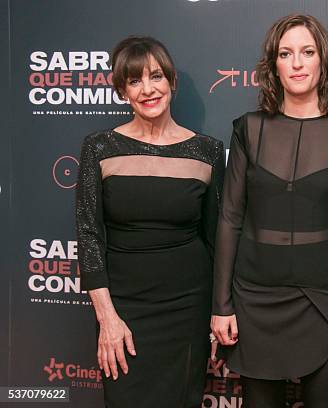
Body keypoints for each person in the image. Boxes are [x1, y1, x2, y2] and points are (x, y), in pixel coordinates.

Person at [210, 14, 328, 408]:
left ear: (323, 62)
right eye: (286, 53)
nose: (297, 63)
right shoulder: (249, 129)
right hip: (256, 301)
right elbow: (230, 218)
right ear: (274, 65)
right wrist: (221, 305)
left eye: (307, 52)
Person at [76, 36, 224, 408]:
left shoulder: (206, 150)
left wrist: (219, 310)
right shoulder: (100, 147)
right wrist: (107, 318)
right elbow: (89, 235)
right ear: (122, 91)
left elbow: (215, 238)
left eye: (155, 76)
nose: (148, 89)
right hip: (124, 310)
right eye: (134, 80)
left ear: (171, 81)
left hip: (187, 307)